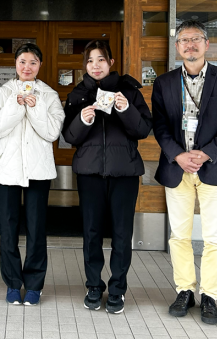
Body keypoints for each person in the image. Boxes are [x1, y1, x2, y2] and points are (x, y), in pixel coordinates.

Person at [152, 20, 217, 325]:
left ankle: (210, 296)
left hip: (214, 167)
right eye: (184, 40)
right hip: (177, 169)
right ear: (177, 47)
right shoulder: (164, 83)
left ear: (206, 44)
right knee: (179, 236)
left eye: (195, 39)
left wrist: (206, 153)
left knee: (214, 238)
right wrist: (178, 155)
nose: (190, 45)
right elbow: (159, 126)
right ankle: (185, 290)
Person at [62, 39, 152, 315]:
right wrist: (83, 120)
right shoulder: (78, 94)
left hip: (124, 172)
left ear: (111, 62)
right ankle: (93, 286)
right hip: (89, 173)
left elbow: (142, 130)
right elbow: (69, 136)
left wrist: (126, 109)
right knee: (91, 233)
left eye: (101, 59)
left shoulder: (129, 91)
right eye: (90, 61)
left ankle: (117, 289)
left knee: (122, 234)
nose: (95, 65)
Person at [0, 43, 64, 306]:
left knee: (36, 228)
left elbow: (52, 132)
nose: (27, 67)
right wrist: (15, 106)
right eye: (22, 62)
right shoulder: (1, 94)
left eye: (32, 62)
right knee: (8, 228)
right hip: (7, 171)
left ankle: (34, 285)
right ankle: (12, 282)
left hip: (38, 171)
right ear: (15, 64)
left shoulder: (49, 95)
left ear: (40, 65)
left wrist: (36, 107)